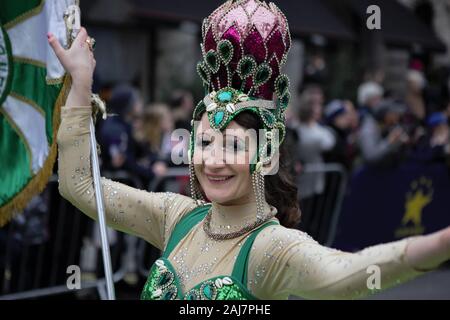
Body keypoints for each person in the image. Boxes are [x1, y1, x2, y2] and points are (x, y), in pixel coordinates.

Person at [49, 0, 450, 300]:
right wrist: (82, 84)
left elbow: (346, 273)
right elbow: (79, 185)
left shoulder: (271, 247)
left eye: (233, 145)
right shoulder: (176, 218)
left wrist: (439, 244)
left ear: (267, 153)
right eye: (204, 142)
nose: (214, 160)